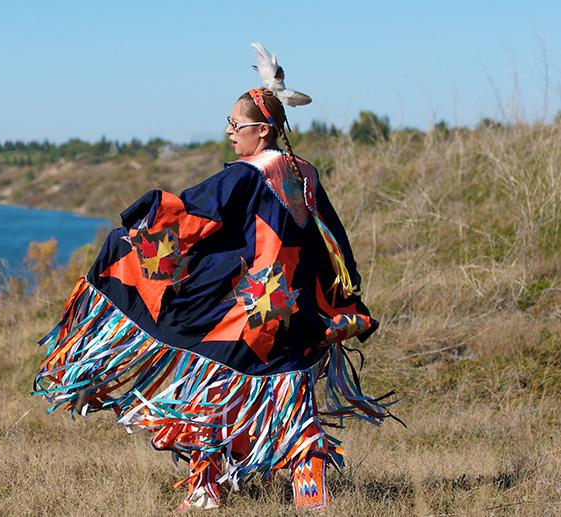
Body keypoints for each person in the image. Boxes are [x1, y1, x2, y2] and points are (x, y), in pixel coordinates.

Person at [33, 43, 398, 511]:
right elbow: (335, 242)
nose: (229, 132)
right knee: (287, 393)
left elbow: (191, 215)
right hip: (290, 307)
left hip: (247, 310)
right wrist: (341, 296)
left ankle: (206, 489)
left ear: (262, 130)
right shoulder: (303, 172)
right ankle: (310, 491)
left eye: (236, 125)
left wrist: (133, 236)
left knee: (209, 391)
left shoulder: (248, 174)